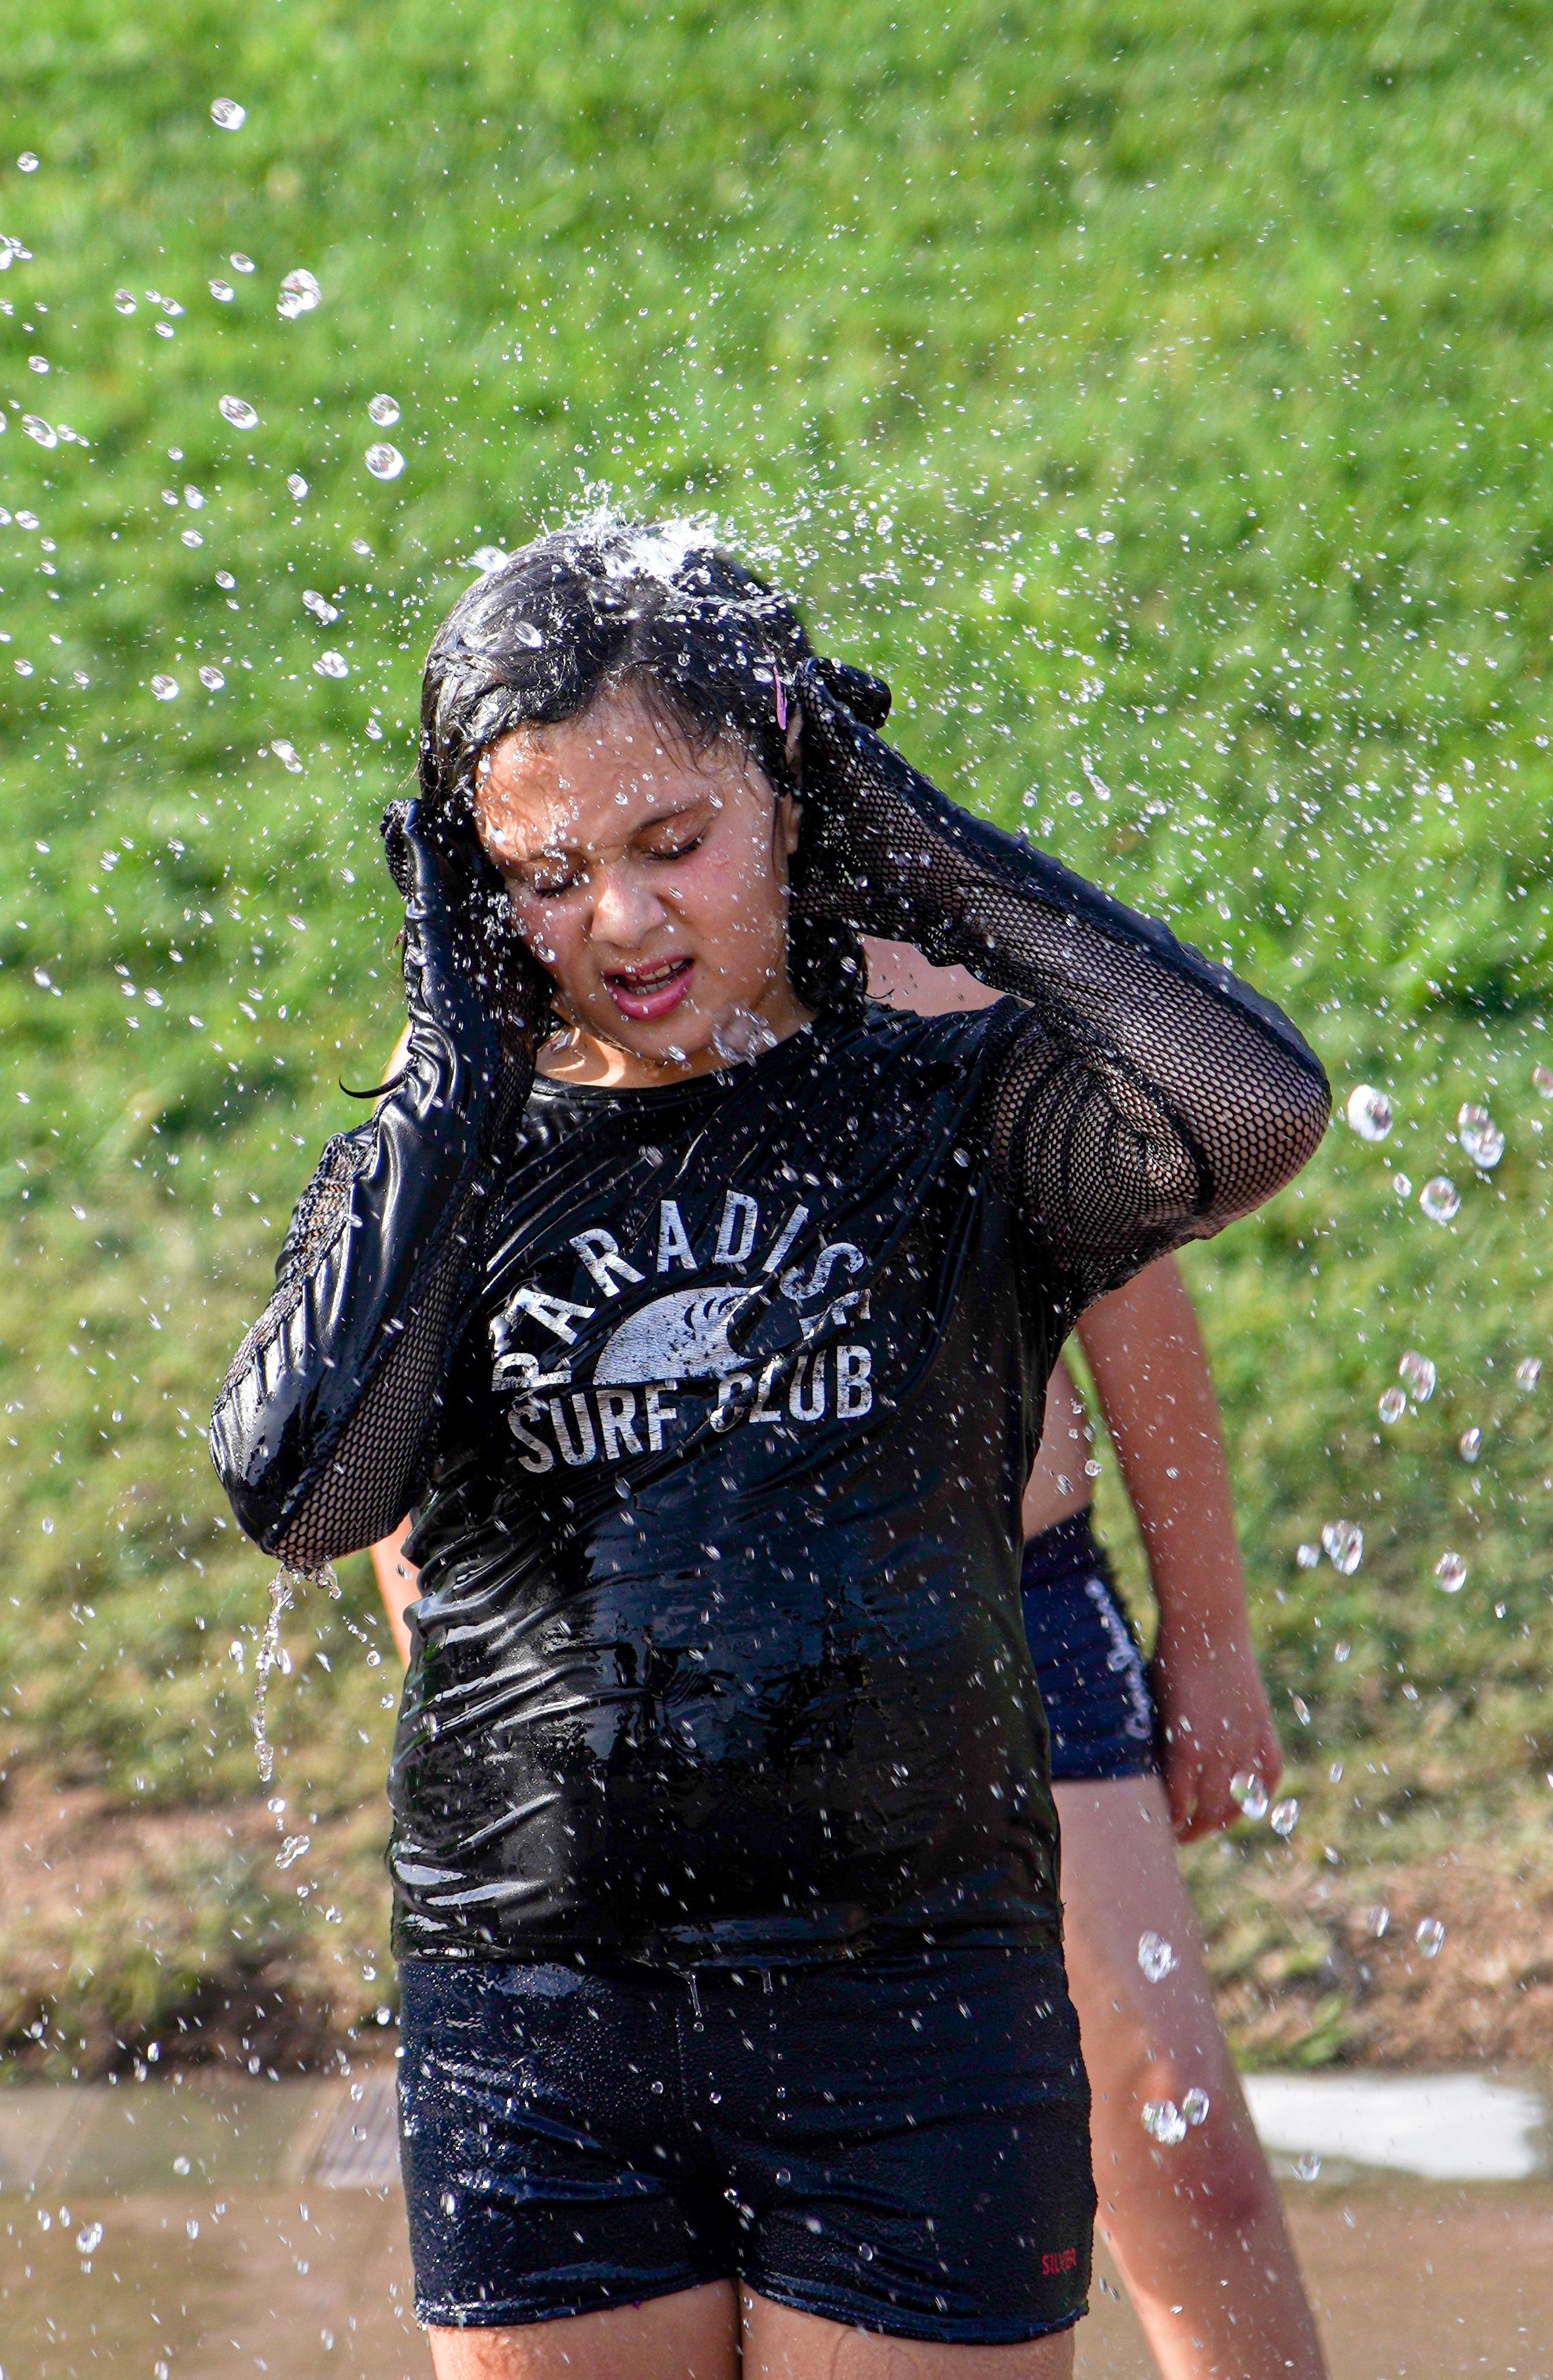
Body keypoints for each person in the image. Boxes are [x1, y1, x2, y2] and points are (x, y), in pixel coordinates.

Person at [211, 519, 1329, 2379]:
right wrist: (438, 1085)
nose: (628, 920)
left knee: (1179, 2142)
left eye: (673, 845)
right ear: (477, 882)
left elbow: (1231, 1136)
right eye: (556, 872)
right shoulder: (457, 1139)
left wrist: (924, 856)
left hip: (952, 1750)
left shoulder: (951, 1059)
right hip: (572, 1946)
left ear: (791, 782)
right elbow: (327, 1491)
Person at [367, 958, 1331, 2380]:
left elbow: (1133, 1305)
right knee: (722, 2220)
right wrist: (470, 1689)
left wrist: (1212, 1637)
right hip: (644, 1686)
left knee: (1185, 2146)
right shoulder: (497, 1017)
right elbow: (399, 1393)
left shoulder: (939, 970)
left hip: (997, 1623)